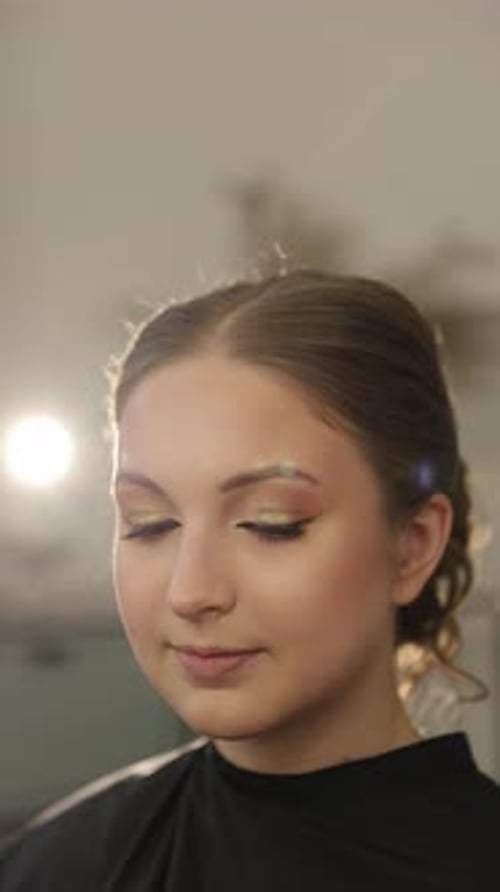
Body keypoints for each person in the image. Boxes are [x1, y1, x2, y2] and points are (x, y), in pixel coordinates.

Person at [1, 269, 499, 890]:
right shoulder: (55, 869)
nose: (192, 591)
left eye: (272, 524)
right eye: (149, 524)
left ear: (412, 547)